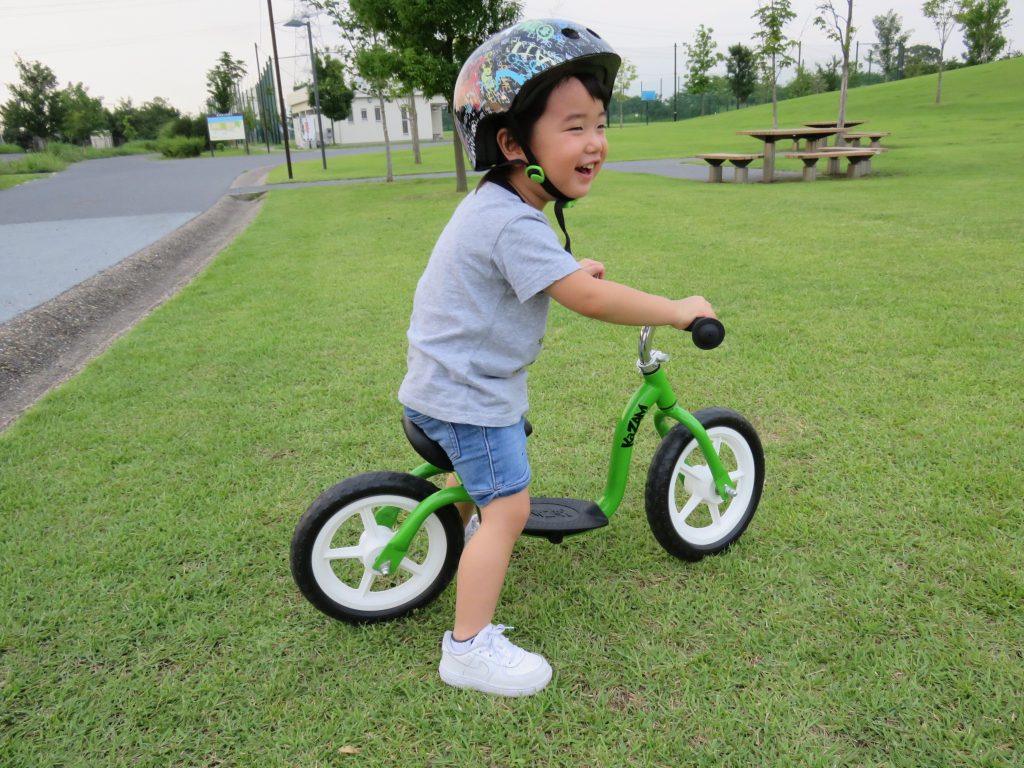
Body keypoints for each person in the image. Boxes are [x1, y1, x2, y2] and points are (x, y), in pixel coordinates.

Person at [398, 19, 716, 697]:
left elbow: (523, 268)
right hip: (468, 402)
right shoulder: (513, 221)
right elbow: (592, 303)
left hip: (443, 387)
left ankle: (457, 545)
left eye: (600, 123)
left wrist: (566, 267)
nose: (595, 142)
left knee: (490, 495)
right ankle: (468, 649)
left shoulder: (497, 206)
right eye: (574, 126)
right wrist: (676, 310)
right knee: (509, 508)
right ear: (513, 142)